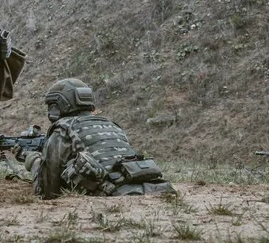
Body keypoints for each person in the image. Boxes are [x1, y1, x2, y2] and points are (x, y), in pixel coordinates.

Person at [20, 78, 175, 198]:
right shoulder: (111, 124)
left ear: (58, 105)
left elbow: (47, 191)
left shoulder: (63, 128)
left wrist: (33, 161)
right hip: (150, 188)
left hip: (111, 195)